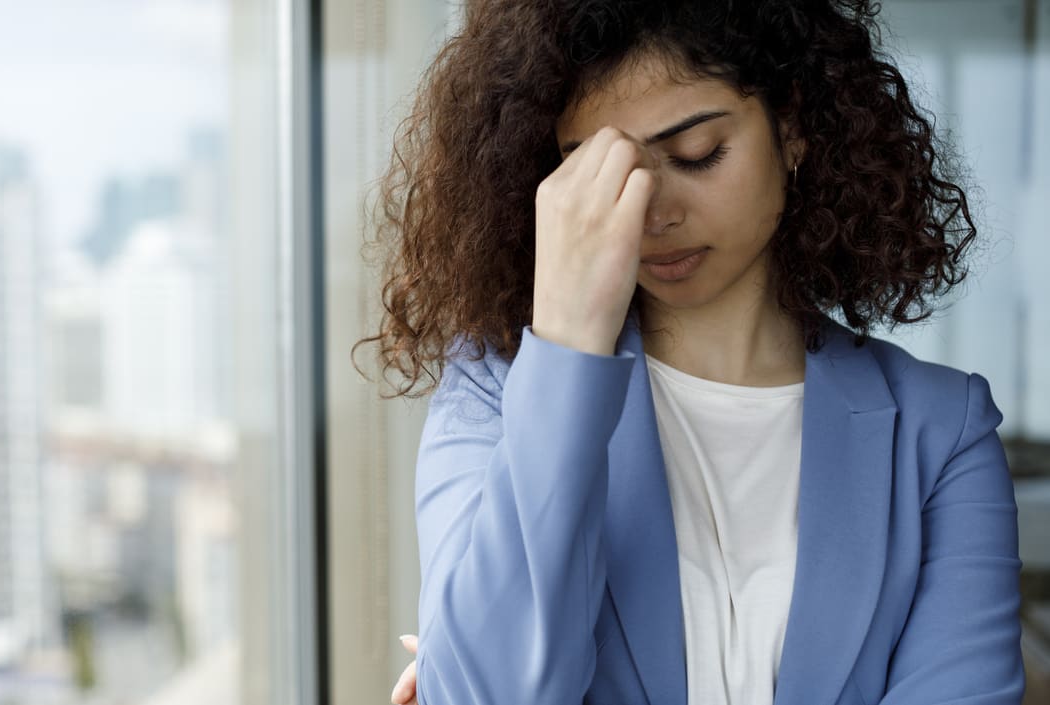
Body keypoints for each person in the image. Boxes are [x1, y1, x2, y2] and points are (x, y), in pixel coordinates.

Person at [352, 1, 1025, 703]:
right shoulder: (495, 392)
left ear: (791, 128)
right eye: (599, 173)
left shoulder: (941, 432)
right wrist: (568, 339)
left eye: (696, 154)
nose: (652, 211)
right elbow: (487, 692)